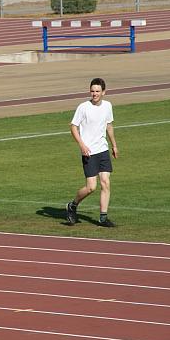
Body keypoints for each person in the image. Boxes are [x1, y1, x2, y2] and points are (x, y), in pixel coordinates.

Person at [66, 77, 119, 228]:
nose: (94, 94)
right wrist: (81, 145)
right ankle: (72, 205)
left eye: (97, 91)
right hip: (89, 152)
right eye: (92, 91)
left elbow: (109, 126)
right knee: (91, 187)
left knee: (106, 183)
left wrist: (114, 145)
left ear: (104, 92)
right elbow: (73, 127)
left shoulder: (107, 106)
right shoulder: (83, 107)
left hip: (103, 150)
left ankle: (103, 218)